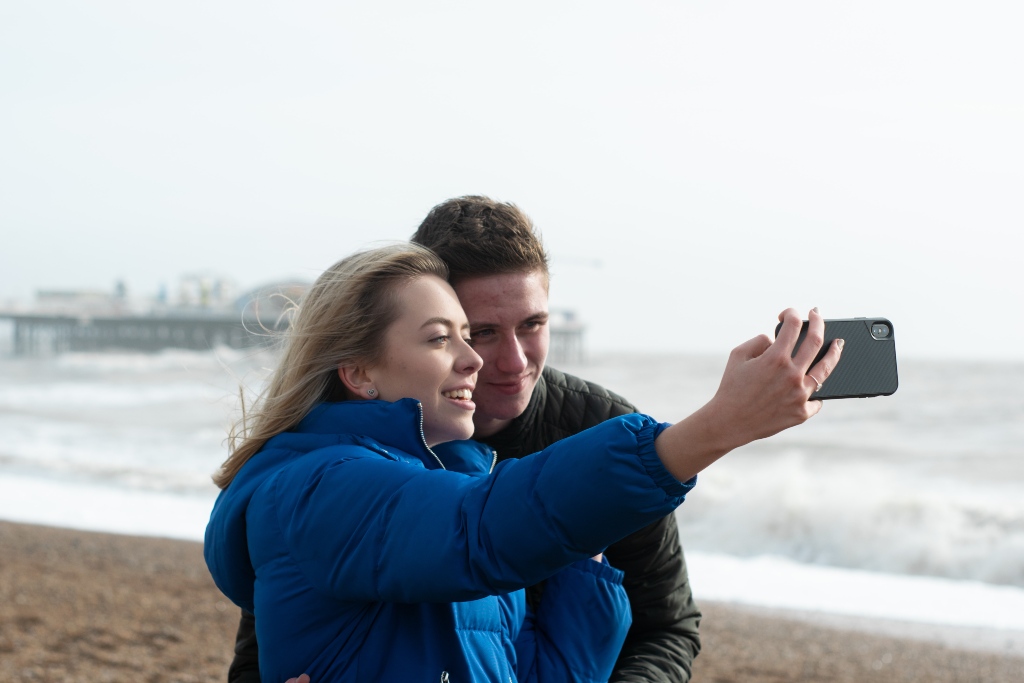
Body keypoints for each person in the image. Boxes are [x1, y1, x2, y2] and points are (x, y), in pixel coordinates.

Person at [227, 197, 705, 682]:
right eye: (480, 333)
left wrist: (587, 573)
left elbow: (665, 627)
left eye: (533, 325)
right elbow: (275, 631)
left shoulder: (598, 424)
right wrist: (707, 432)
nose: (514, 361)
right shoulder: (332, 481)